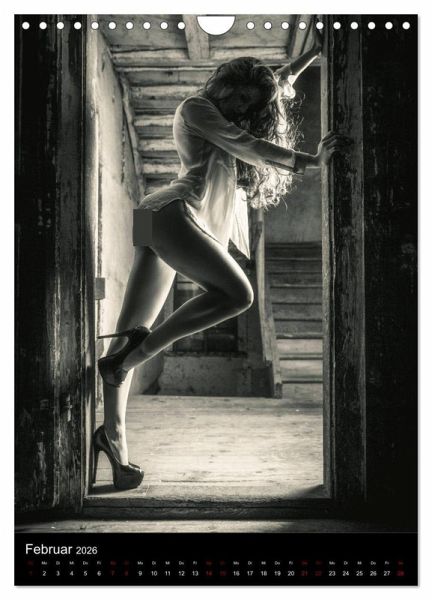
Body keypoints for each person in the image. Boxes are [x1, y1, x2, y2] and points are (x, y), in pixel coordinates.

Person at [92, 32, 353, 490]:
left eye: (249, 104)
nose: (241, 109)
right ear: (224, 84)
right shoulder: (197, 108)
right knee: (237, 294)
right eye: (239, 98)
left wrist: (311, 53)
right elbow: (245, 143)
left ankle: (114, 443)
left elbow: (278, 80)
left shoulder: (218, 110)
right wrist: (311, 161)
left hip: (155, 217)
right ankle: (139, 353)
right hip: (173, 211)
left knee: (126, 337)